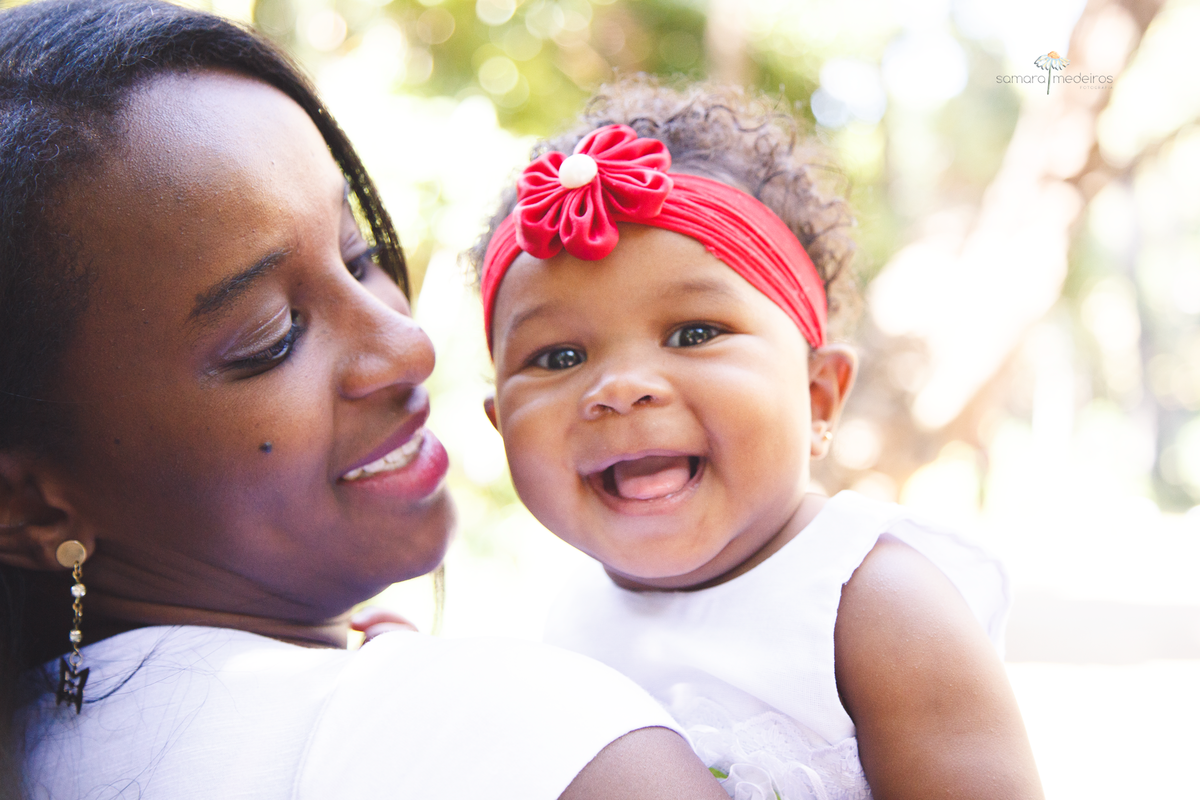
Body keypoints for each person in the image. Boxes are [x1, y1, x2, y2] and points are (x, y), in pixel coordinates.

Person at [0, 4, 734, 799]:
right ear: (27, 504)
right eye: (272, 337)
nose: (408, 346)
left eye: (361, 255)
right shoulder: (533, 740)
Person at [472, 81, 1045, 800]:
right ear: (500, 428)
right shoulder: (567, 616)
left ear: (817, 394)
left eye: (694, 333)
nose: (619, 387)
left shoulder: (872, 604)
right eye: (558, 357)